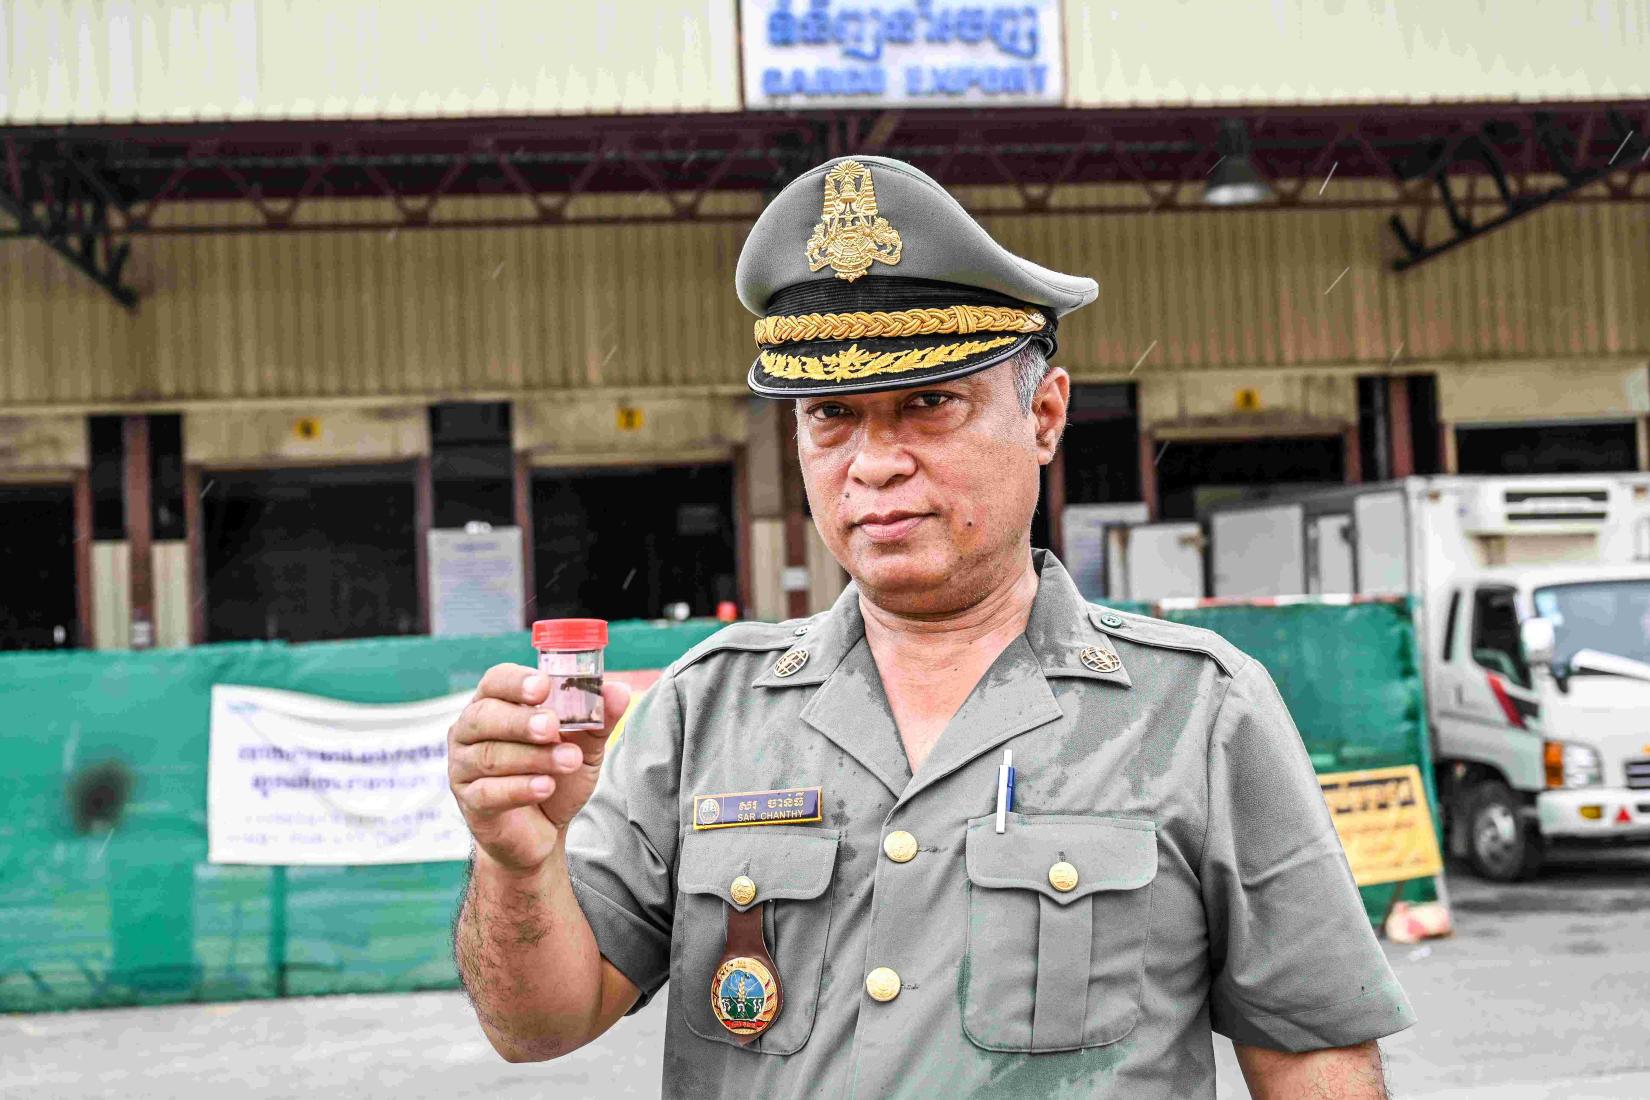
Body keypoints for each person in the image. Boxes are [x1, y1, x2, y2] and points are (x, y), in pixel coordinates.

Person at [448, 155, 1415, 1098]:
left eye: (928, 404)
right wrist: (515, 857)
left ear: (1044, 415)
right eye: (831, 414)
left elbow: (1314, 1057)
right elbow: (537, 1025)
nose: (874, 463)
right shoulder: (707, 711)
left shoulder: (1200, 713)